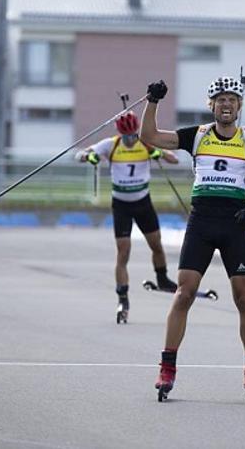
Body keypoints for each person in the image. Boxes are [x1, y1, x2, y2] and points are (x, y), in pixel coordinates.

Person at [140, 76, 245, 401]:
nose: (226, 104)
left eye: (232, 100)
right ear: (211, 105)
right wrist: (152, 101)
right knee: (184, 292)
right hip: (201, 222)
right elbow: (149, 136)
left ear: (239, 106)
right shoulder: (197, 135)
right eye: (220, 99)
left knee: (244, 298)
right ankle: (167, 367)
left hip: (234, 224)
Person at [75, 110, 179, 323]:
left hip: (143, 203)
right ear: (120, 133)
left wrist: (159, 154)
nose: (131, 140)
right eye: (127, 136)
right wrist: (90, 156)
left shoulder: (145, 143)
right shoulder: (111, 145)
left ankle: (162, 278)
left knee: (156, 245)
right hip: (121, 205)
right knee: (123, 252)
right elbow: (78, 155)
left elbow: (174, 160)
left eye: (133, 135)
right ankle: (122, 297)